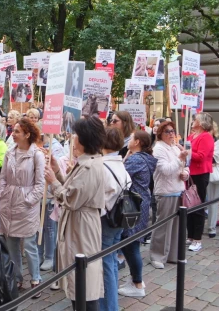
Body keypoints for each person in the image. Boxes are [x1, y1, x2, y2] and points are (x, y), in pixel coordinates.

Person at [44, 116, 106, 311]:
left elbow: (71, 199)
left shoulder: (89, 166)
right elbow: (75, 190)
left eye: (77, 134)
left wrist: (54, 181)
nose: (74, 138)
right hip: (79, 223)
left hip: (81, 226)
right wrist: (59, 173)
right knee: (80, 280)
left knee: (83, 280)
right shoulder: (87, 162)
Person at [0, 117, 45, 297]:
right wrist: (2, 193)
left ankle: (35, 278)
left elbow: (40, 184)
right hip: (8, 203)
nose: (13, 134)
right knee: (11, 244)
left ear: (27, 134)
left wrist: (29, 200)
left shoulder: (37, 155)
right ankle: (17, 278)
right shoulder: (10, 152)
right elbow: (2, 177)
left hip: (26, 205)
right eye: (13, 131)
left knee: (30, 244)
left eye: (17, 131)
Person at [120, 130, 157, 297]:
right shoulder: (142, 158)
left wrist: (125, 160)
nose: (129, 140)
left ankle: (137, 283)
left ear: (138, 142)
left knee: (131, 244)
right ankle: (136, 279)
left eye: (132, 138)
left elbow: (121, 176)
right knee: (130, 243)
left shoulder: (135, 159)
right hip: (139, 203)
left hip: (132, 204)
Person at [100, 127, 131, 311]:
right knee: (111, 261)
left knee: (106, 264)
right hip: (119, 218)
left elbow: (99, 197)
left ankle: (109, 306)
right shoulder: (120, 163)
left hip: (107, 219)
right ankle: (111, 305)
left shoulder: (102, 166)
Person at [150, 121, 189, 269]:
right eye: (167, 131)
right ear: (160, 134)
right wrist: (180, 158)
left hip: (178, 189)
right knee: (163, 226)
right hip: (165, 191)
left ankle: (173, 254)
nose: (171, 134)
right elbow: (165, 170)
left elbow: (184, 167)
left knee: (176, 226)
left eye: (172, 131)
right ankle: (157, 256)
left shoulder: (174, 147)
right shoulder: (159, 149)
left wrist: (185, 173)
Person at [186, 112, 214, 252]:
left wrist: (187, 153)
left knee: (198, 205)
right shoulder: (192, 135)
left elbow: (201, 157)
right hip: (190, 173)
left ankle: (197, 239)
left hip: (200, 173)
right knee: (189, 204)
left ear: (202, 122)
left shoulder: (206, 137)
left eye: (195, 119)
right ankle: (190, 235)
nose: (193, 121)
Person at [38, 134, 65, 272]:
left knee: (49, 228)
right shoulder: (37, 148)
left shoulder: (55, 147)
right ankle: (39, 254)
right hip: (39, 193)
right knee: (39, 226)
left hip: (49, 192)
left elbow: (58, 166)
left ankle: (49, 256)